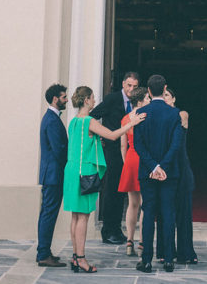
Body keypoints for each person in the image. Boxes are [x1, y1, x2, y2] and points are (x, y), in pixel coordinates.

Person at [63, 84, 146, 273]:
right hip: (84, 173)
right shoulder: (89, 121)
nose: (94, 100)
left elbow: (80, 145)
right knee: (83, 216)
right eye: (92, 97)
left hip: (71, 170)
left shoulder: (74, 122)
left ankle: (75, 256)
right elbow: (112, 135)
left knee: (75, 216)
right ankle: (82, 259)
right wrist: (131, 124)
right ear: (86, 100)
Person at [133, 73, 184, 273]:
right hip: (169, 172)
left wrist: (153, 166)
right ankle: (169, 260)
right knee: (168, 213)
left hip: (148, 172)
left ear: (148, 91)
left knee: (148, 214)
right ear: (165, 90)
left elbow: (138, 144)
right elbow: (176, 144)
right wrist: (163, 166)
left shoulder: (142, 113)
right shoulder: (174, 114)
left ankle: (146, 260)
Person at [91, 70, 140, 244]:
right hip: (112, 151)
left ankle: (117, 229)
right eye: (129, 85)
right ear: (123, 84)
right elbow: (93, 116)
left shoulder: (136, 102)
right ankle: (108, 231)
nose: (131, 89)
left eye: (134, 86)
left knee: (122, 192)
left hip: (129, 152)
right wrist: (101, 138)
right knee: (111, 190)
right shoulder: (113, 99)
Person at [164, 87, 197, 265]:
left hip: (181, 167)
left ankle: (186, 251)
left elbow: (181, 120)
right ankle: (165, 250)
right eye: (162, 96)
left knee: (184, 212)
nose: (165, 99)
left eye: (167, 96)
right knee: (165, 213)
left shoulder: (181, 114)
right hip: (165, 168)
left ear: (174, 99)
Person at [37, 83, 69, 267]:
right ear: (55, 99)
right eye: (64, 97)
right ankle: (43, 254)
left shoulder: (51, 118)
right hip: (53, 175)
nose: (66, 100)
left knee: (47, 214)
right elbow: (59, 149)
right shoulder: (51, 120)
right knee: (48, 214)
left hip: (51, 174)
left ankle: (44, 251)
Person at [118, 85, 149, 256]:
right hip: (144, 160)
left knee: (132, 204)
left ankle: (129, 241)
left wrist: (126, 163)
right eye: (147, 98)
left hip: (130, 158)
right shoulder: (145, 116)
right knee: (146, 204)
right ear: (140, 101)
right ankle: (142, 242)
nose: (149, 101)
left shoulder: (125, 118)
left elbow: (123, 145)